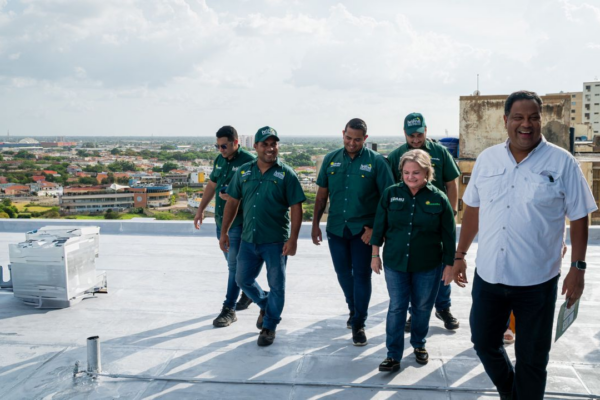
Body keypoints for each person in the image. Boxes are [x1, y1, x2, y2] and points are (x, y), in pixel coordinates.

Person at [446, 90, 597, 400]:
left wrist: (577, 268)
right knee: (484, 342)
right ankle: (512, 393)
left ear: (541, 120)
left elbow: (580, 216)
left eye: (533, 117)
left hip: (537, 283)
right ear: (506, 121)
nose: (526, 124)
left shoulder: (562, 162)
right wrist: (459, 255)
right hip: (489, 276)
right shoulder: (488, 159)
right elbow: (472, 208)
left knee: (532, 359)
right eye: (518, 117)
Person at [220, 126, 306, 346]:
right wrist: (224, 232)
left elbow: (296, 207)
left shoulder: (286, 173)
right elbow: (232, 202)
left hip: (276, 241)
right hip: (249, 238)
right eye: (265, 144)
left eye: (273, 144)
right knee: (242, 279)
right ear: (256, 146)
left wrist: (293, 239)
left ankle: (269, 326)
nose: (270, 148)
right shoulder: (244, 172)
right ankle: (267, 303)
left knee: (277, 285)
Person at [371, 149, 456, 372]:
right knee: (397, 307)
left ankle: (419, 344)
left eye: (416, 172)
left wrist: (450, 265)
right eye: (406, 172)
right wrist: (374, 255)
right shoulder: (391, 194)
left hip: (428, 265)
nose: (410, 177)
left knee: (422, 308)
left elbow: (448, 235)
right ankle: (393, 355)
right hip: (395, 263)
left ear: (427, 172)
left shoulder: (439, 198)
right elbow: (379, 227)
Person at [312, 118, 394, 346]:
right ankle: (353, 308)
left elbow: (388, 199)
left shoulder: (376, 162)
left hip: (363, 232)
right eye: (348, 138)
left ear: (365, 139)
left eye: (357, 139)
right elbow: (321, 196)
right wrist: (315, 224)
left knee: (361, 275)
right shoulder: (330, 160)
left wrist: (377, 230)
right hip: (337, 228)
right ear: (343, 134)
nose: (352, 143)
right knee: (342, 273)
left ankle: (359, 322)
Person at [387, 113, 461, 332]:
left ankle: (443, 308)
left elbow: (452, 183)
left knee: (440, 266)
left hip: (435, 220)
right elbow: (389, 191)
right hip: (408, 223)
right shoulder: (397, 155)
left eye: (419, 134)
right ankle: (415, 313)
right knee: (414, 268)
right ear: (405, 133)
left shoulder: (439, 153)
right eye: (411, 135)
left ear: (426, 131)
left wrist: (452, 212)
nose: (416, 139)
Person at [194, 126, 256, 328]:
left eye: (224, 145)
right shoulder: (219, 160)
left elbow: (255, 192)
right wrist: (201, 209)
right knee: (234, 266)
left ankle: (229, 309)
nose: (220, 149)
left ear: (236, 143)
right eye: (217, 146)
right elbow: (211, 185)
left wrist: (233, 197)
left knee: (234, 267)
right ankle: (248, 293)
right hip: (220, 222)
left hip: (238, 224)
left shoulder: (248, 161)